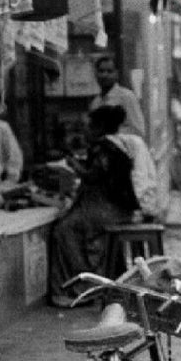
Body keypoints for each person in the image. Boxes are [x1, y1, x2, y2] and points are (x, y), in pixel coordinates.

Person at [49, 105, 144, 305]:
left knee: (64, 229)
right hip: (119, 209)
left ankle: (81, 288)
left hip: (108, 210)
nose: (86, 130)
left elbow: (93, 176)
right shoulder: (118, 145)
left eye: (90, 126)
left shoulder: (104, 147)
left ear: (100, 127)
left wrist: (74, 165)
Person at [89, 56, 146, 139]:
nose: (105, 75)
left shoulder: (126, 97)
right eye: (101, 71)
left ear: (116, 74)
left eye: (109, 71)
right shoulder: (95, 103)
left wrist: (111, 133)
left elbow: (139, 131)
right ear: (95, 74)